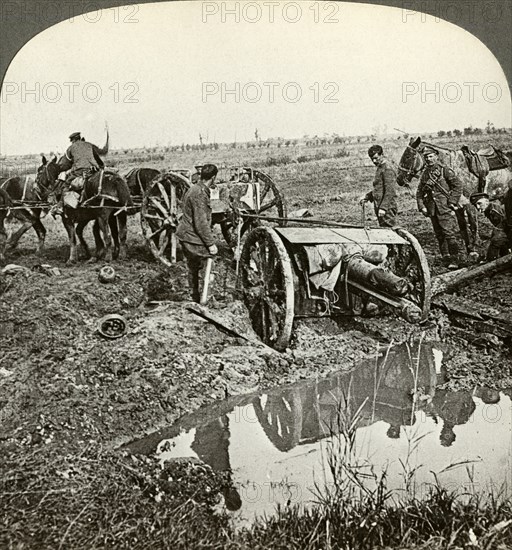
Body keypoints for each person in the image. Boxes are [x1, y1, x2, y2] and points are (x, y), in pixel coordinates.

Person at [416, 146, 468, 269]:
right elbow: (419, 192)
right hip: (432, 209)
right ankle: (446, 257)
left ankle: (455, 260)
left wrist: (451, 201)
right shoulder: (425, 174)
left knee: (449, 234)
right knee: (439, 235)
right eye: (426, 157)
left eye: (431, 156)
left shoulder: (445, 171)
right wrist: (422, 207)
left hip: (444, 208)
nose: (428, 159)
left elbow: (458, 186)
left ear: (436, 156)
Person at [176, 163, 218, 302]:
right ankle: (205, 300)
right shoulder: (199, 194)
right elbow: (201, 223)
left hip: (187, 235)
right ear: (213, 178)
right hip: (191, 236)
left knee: (193, 267)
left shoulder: (195, 189)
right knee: (209, 262)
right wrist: (211, 244)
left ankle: (194, 298)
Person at [51, 131, 108, 216]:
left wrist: (61, 169)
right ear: (80, 138)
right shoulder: (89, 145)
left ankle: (60, 207)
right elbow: (99, 157)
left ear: (73, 140)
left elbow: (64, 164)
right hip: (94, 170)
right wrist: (102, 167)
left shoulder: (71, 148)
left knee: (65, 185)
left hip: (79, 172)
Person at [360, 145, 398, 227]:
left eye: (376, 158)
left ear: (382, 155)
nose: (374, 161)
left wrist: (383, 208)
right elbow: (379, 188)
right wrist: (367, 196)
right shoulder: (380, 167)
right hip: (380, 206)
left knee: (390, 231)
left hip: (387, 208)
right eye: (372, 159)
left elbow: (390, 191)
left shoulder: (387, 169)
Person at [469, 192, 511, 260]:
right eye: (475, 205)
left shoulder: (495, 209)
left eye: (479, 203)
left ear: (486, 201)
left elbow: (504, 228)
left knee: (496, 240)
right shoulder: (488, 210)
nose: (478, 207)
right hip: (506, 230)